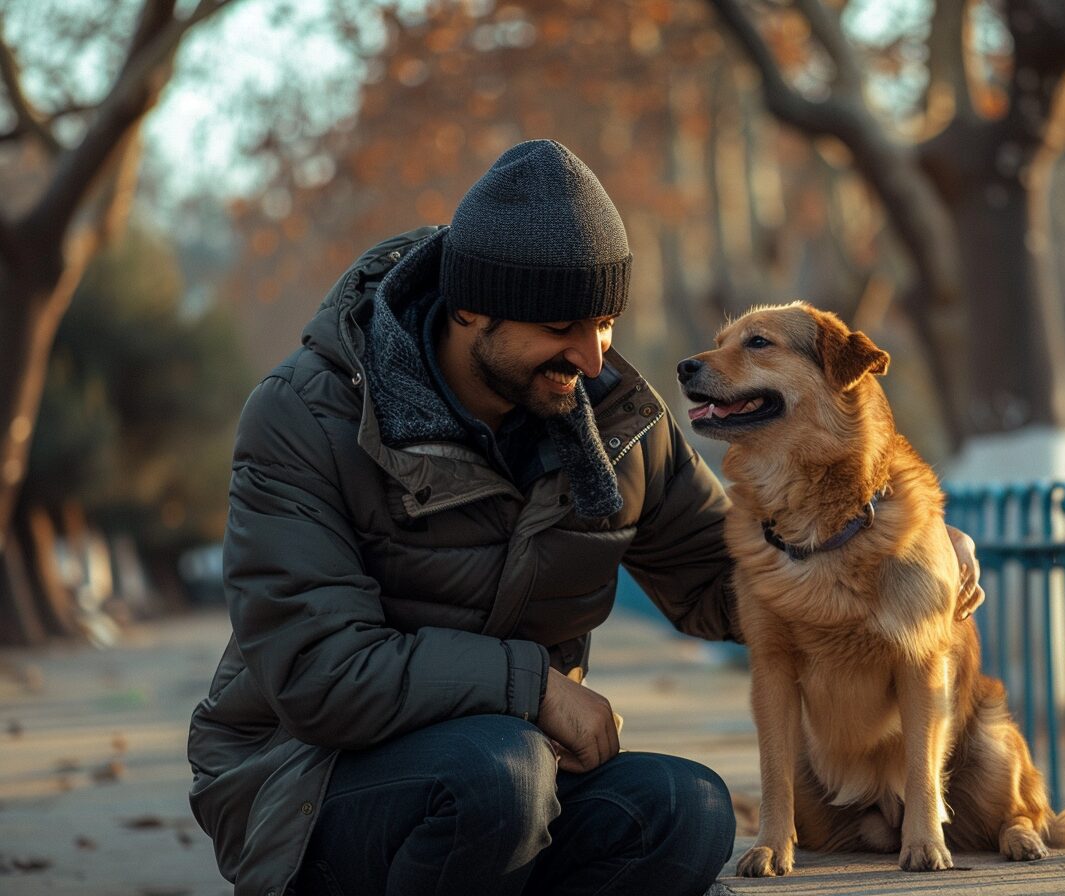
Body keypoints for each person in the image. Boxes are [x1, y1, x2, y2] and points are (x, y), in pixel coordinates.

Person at [187, 139, 983, 896]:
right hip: (307, 784)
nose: (594, 358)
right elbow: (319, 674)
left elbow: (734, 578)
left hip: (518, 768)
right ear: (472, 311)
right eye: (562, 328)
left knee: (687, 810)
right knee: (495, 778)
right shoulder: (307, 416)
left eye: (604, 324)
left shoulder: (614, 421)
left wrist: (899, 546)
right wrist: (532, 688)